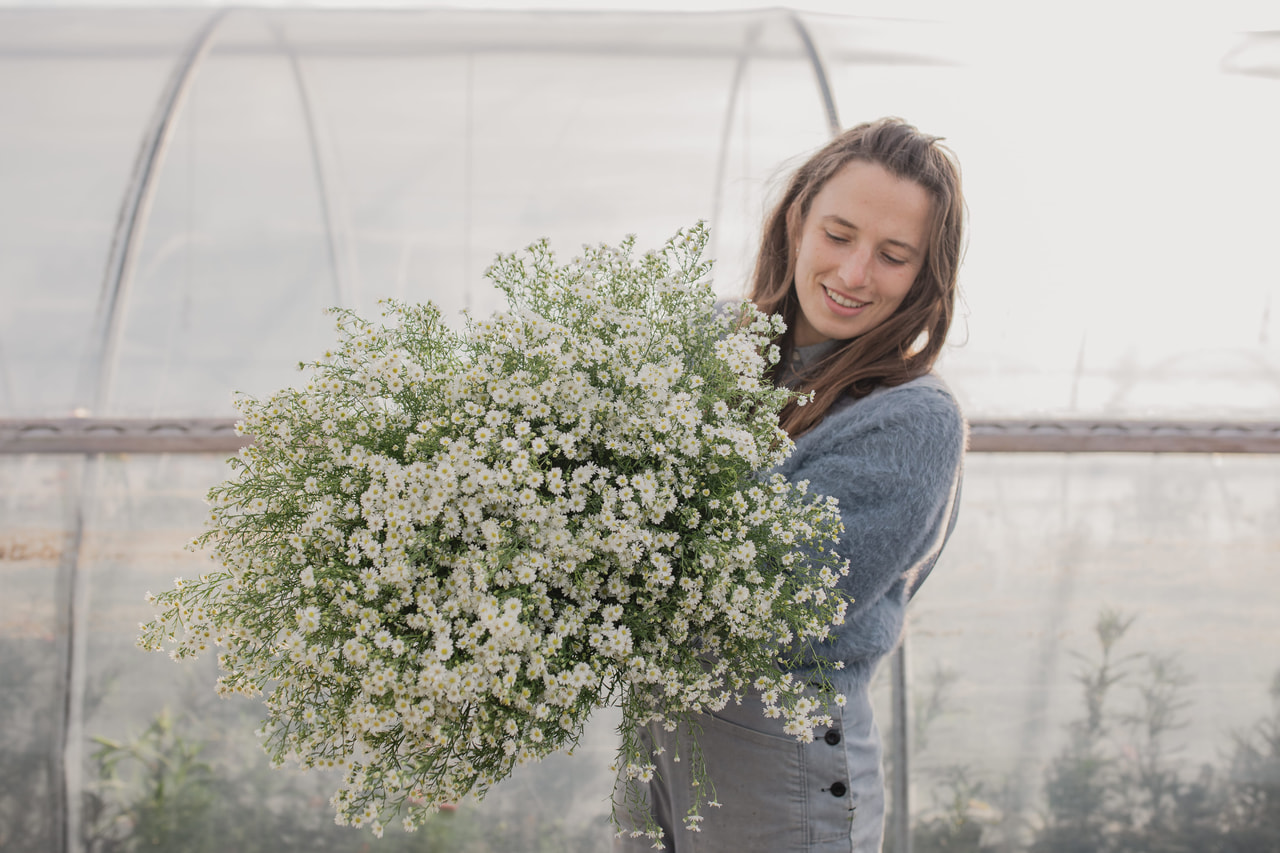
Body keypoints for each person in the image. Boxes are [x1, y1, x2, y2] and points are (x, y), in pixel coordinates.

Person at [614, 117, 967, 852]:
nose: (854, 274)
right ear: (798, 218)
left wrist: (605, 531)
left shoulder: (910, 418)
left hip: (781, 765)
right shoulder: (708, 343)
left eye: (893, 255)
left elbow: (774, 594)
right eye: (839, 235)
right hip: (659, 740)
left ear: (926, 275)